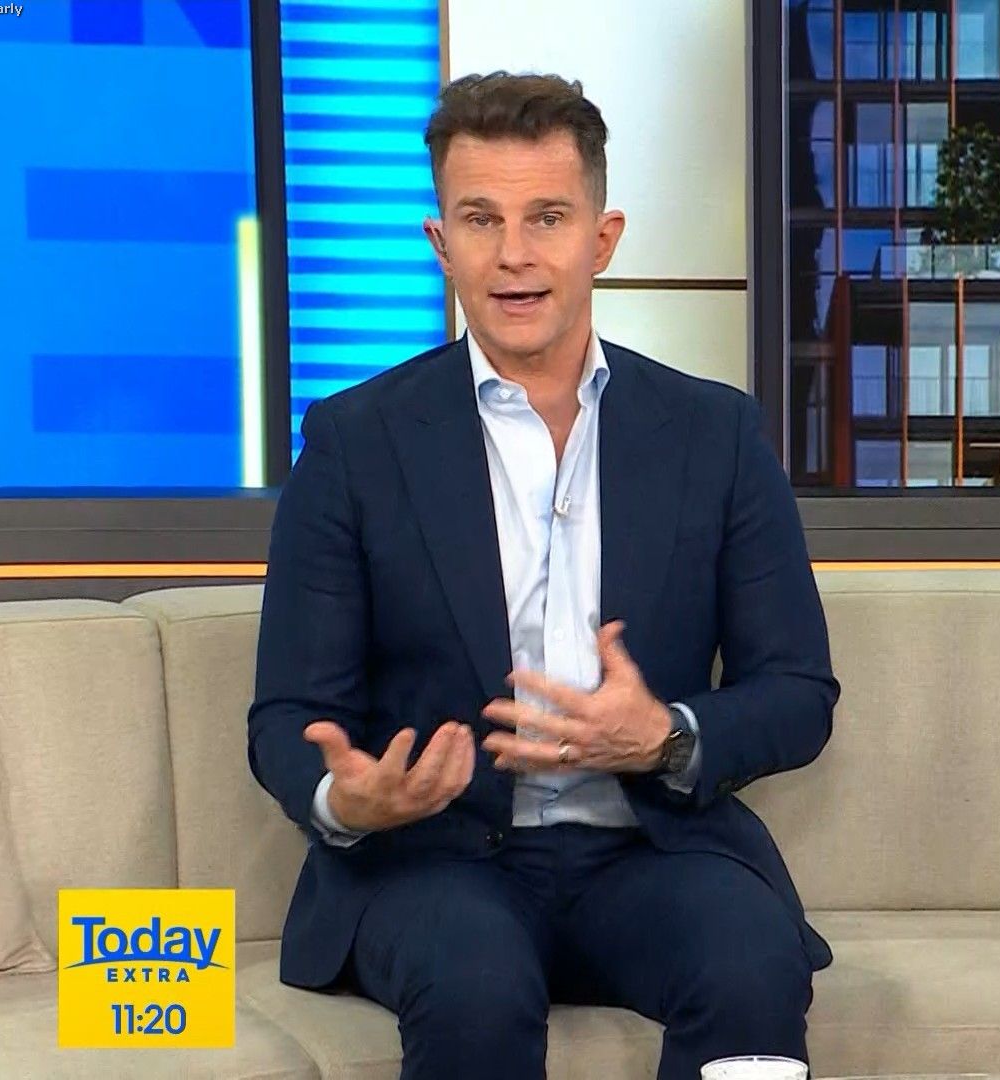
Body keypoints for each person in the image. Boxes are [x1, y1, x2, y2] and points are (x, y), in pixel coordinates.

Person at [248, 72, 838, 1080]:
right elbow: (286, 715)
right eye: (481, 219)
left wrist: (666, 736)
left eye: (547, 219)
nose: (513, 254)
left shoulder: (715, 433)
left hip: (651, 852)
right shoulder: (355, 441)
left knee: (752, 962)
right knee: (475, 985)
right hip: (436, 860)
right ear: (442, 243)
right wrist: (352, 800)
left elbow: (797, 692)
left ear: (602, 240)